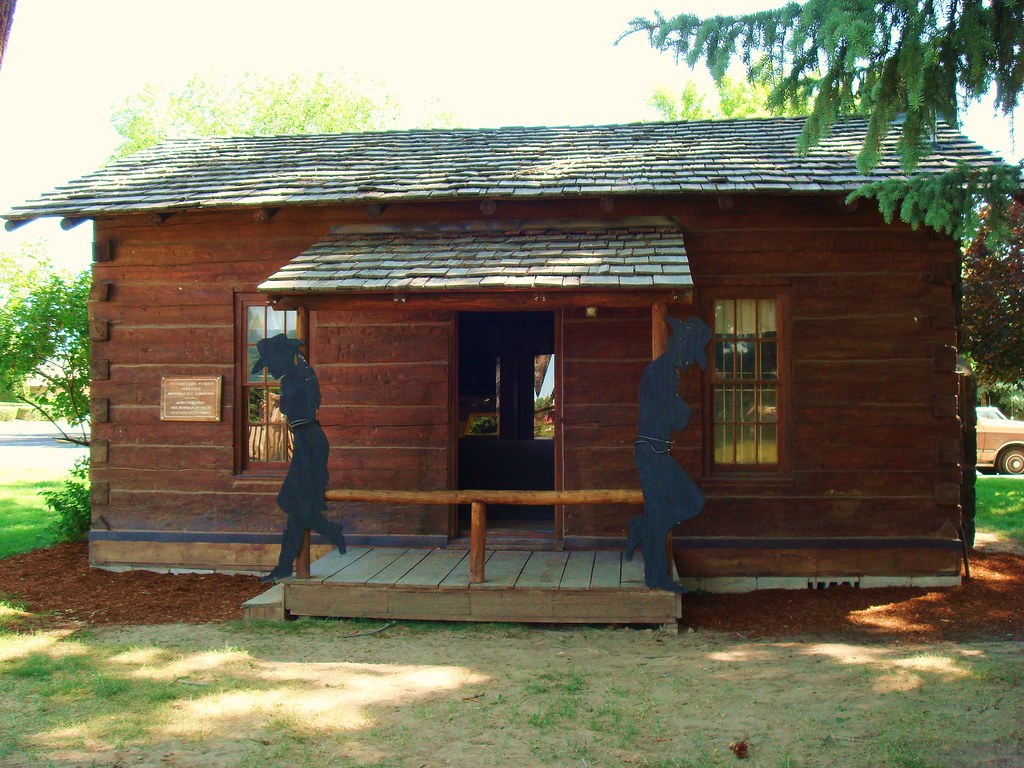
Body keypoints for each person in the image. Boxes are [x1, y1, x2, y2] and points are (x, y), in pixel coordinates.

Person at [250, 333, 346, 582]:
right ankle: (285, 566)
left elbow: (289, 407)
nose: (269, 369)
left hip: (309, 441)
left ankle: (331, 531)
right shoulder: (297, 376)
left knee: (290, 502)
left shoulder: (297, 377)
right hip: (307, 439)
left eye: (271, 363)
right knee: (297, 512)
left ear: (281, 358)